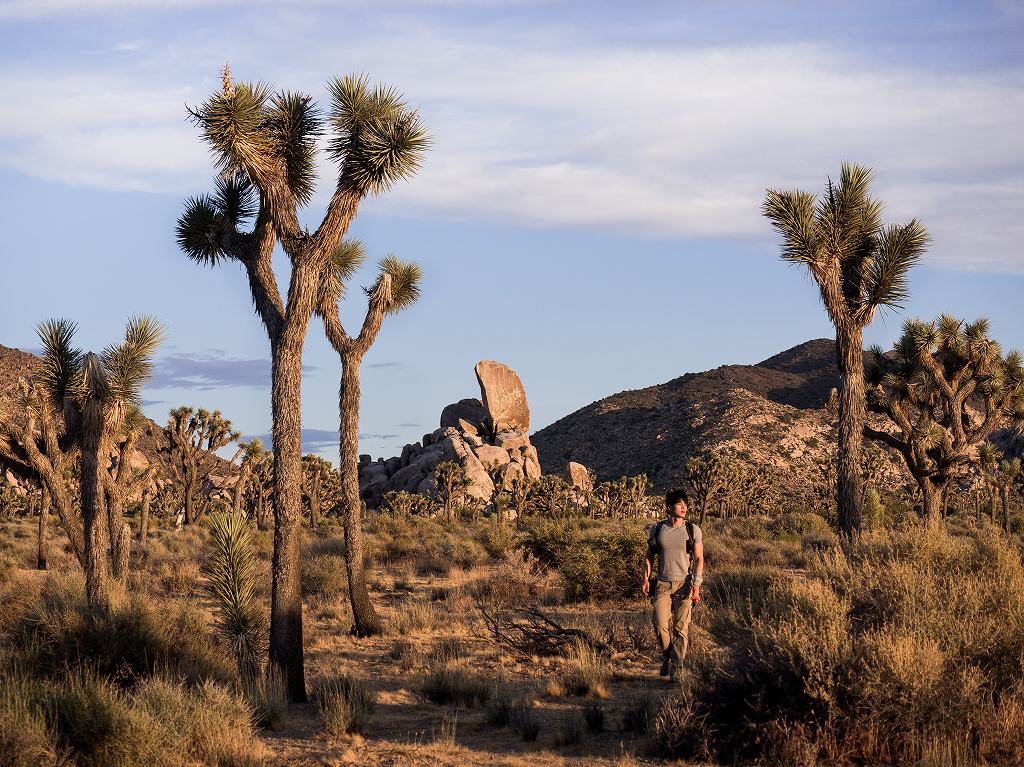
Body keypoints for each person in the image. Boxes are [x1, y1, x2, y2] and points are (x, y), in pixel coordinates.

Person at [641, 488, 703, 679]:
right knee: (660, 625)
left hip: (684, 584)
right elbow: (649, 555)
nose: (684, 507)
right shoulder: (657, 529)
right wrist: (645, 578)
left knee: (680, 628)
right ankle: (667, 654)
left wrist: (696, 584)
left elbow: (699, 558)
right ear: (669, 507)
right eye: (679, 503)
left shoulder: (693, 530)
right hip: (662, 584)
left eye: (685, 503)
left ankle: (677, 669)